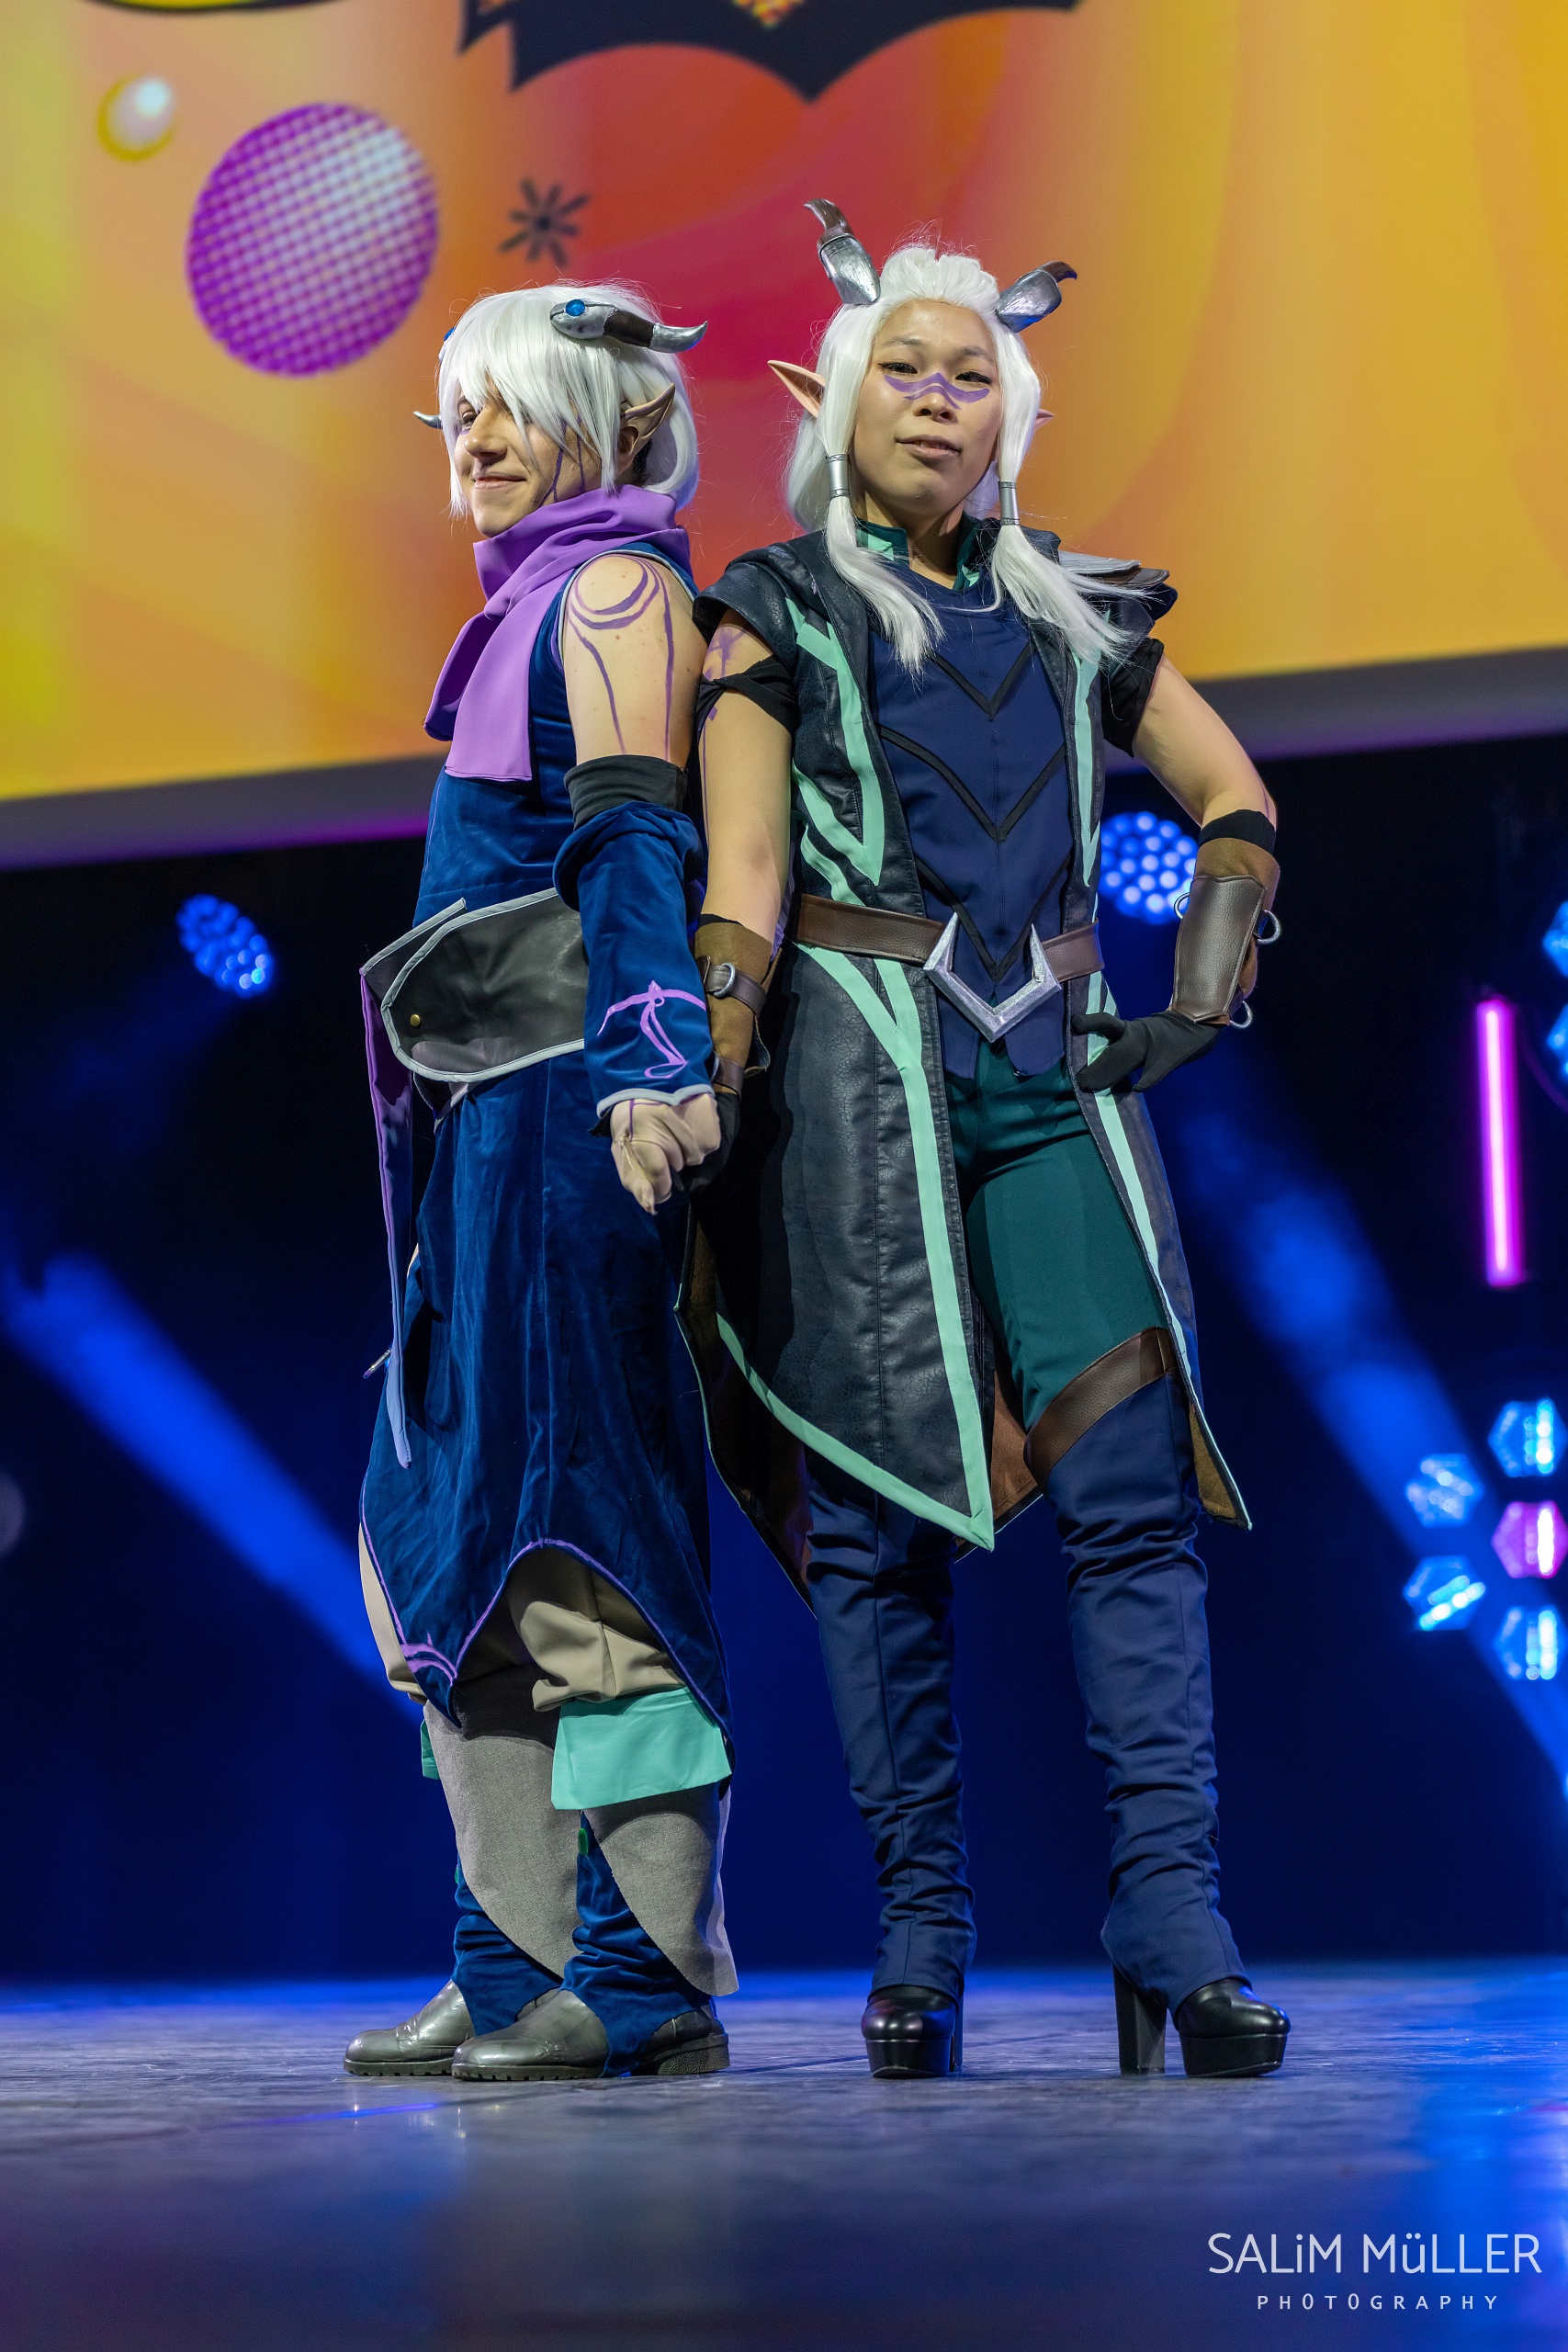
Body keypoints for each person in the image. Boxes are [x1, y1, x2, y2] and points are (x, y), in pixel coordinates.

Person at [673, 206, 1289, 2082]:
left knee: (1131, 1499)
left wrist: (1205, 969)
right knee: (873, 1529)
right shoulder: (771, 608)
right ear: (836, 400)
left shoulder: (1078, 608)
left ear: (1008, 411)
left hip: (1055, 1085)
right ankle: (922, 1934)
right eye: (903, 370)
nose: (936, 400)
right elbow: (744, 872)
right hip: (853, 1092)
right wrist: (703, 1066)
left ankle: (1171, 1925)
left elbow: (1231, 790)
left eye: (968, 374)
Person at [344, 279, 734, 2085]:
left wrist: (653, 1061)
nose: (478, 437)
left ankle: (642, 1978)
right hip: (481, 1135)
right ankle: (507, 1961)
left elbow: (634, 838)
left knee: (589, 1544)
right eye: (461, 405)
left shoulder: (616, 590)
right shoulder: (522, 610)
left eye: (514, 399)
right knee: (463, 1545)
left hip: (575, 1125)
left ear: (616, 415)